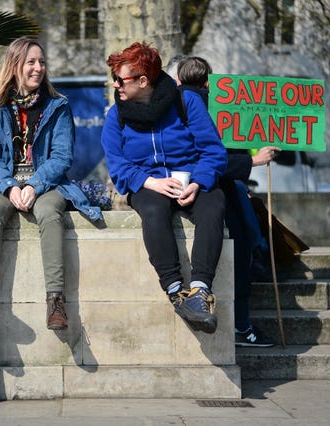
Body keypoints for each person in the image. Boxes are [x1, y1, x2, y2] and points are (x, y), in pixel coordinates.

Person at [0, 37, 102, 331]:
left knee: (49, 213)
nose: (38, 68)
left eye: (41, 62)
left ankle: (55, 301)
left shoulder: (58, 106)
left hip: (47, 184)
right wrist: (10, 186)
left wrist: (34, 184)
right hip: (2, 184)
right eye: (31, 62)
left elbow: (62, 156)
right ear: (15, 65)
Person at [100, 42, 227, 334]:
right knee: (154, 211)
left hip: (192, 179)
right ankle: (174, 290)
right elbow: (117, 164)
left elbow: (212, 151)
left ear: (143, 81)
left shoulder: (186, 102)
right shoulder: (115, 115)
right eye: (115, 79)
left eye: (121, 79)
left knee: (213, 206)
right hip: (148, 181)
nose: (116, 85)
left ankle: (199, 291)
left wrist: (198, 182)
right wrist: (150, 182)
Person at [176, 55, 278, 346]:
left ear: (179, 81)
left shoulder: (171, 105)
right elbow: (219, 157)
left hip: (191, 187)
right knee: (244, 242)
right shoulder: (215, 107)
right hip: (218, 190)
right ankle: (242, 325)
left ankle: (241, 324)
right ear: (209, 81)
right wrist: (255, 160)